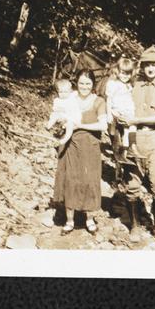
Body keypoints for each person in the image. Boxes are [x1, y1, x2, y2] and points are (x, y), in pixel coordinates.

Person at [116, 45, 155, 243]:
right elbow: (120, 105)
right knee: (132, 185)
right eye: (147, 65)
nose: (150, 68)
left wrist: (136, 120)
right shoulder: (134, 86)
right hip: (134, 137)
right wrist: (121, 118)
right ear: (142, 66)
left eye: (154, 65)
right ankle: (135, 225)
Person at [52, 69, 107, 235]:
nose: (84, 86)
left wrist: (80, 126)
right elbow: (58, 114)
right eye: (81, 83)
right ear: (76, 82)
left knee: (90, 181)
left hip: (90, 147)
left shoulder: (99, 101)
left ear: (93, 84)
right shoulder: (69, 98)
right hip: (70, 145)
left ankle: (89, 220)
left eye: (88, 83)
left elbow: (102, 125)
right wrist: (60, 123)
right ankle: (69, 221)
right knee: (70, 180)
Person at [104, 56, 143, 162]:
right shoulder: (113, 83)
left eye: (128, 73)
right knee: (125, 127)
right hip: (117, 110)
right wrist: (108, 114)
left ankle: (129, 148)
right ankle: (125, 149)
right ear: (118, 71)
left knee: (131, 126)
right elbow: (109, 99)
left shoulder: (129, 85)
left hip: (127, 111)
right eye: (122, 73)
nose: (125, 76)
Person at [45, 79, 82, 147]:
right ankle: (49, 125)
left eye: (65, 92)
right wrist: (59, 112)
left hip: (71, 117)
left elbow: (78, 92)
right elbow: (55, 109)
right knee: (54, 115)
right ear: (58, 92)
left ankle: (64, 139)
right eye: (61, 92)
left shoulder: (72, 97)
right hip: (62, 115)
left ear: (70, 91)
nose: (63, 94)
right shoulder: (57, 100)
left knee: (69, 126)